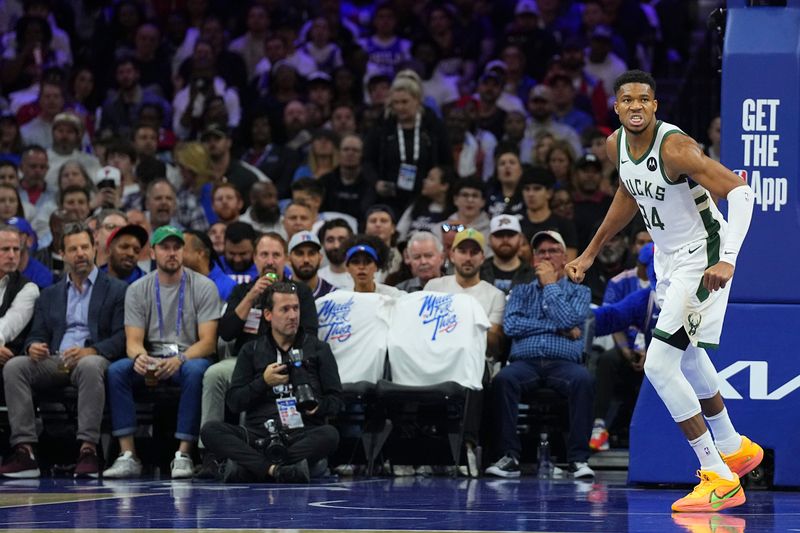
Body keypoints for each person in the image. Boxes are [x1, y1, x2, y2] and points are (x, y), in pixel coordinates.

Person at [566, 70, 759, 513]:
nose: (636, 106)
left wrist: (727, 258)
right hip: (668, 258)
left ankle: (719, 476)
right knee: (689, 357)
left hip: (702, 255)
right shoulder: (614, 145)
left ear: (655, 107)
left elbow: (741, 192)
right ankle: (734, 446)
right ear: (616, 108)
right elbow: (628, 194)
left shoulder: (675, 147)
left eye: (644, 100)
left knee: (659, 364)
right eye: (627, 100)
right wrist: (591, 252)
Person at [1, 223, 126, 479]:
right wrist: (32, 346)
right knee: (16, 366)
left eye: (84, 247)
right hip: (56, 360)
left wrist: (92, 350)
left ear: (95, 249)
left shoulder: (117, 290)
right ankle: (25, 452)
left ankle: (88, 449)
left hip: (92, 358)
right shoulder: (50, 294)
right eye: (73, 249)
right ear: (63, 253)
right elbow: (37, 333)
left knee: (91, 367)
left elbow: (122, 336)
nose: (80, 253)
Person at [103, 226, 220, 479]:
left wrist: (180, 359)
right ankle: (128, 454)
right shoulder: (137, 289)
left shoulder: (204, 286)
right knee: (117, 371)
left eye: (176, 247)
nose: (172, 253)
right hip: (152, 356)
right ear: (153, 253)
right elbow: (132, 341)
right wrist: (139, 357)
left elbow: (209, 342)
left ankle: (184, 454)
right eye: (165, 248)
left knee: (197, 370)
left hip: (188, 356)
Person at [201, 281, 342, 483]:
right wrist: (263, 382)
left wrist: (319, 407)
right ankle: (280, 470)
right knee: (210, 431)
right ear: (268, 315)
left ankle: (255, 468)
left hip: (300, 434)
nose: (293, 316)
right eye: (285, 309)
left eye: (296, 308)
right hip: (258, 436)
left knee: (330, 435)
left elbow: (336, 401)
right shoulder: (251, 350)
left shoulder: (319, 349)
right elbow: (234, 402)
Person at [486, 230, 595, 480]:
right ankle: (509, 457)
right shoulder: (521, 291)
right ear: (534, 258)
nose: (546, 256)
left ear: (565, 257)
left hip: (564, 364)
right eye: (541, 252)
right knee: (503, 380)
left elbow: (571, 318)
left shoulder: (580, 291)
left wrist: (549, 287)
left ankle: (578, 460)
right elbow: (512, 326)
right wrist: (561, 328)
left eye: (553, 251)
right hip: (526, 363)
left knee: (584, 380)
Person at [424, 228, 505, 357]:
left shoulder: (496, 295)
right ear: (452, 255)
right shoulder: (434, 286)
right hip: (435, 355)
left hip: (474, 359)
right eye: (462, 251)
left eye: (474, 252)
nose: (468, 258)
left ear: (482, 257)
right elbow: (423, 328)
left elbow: (492, 343)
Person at [0, 225, 39, 359]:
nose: (12, 255)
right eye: (5, 249)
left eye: (16, 249)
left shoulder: (29, 289)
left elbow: (6, 329)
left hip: (7, 361)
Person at [480, 215, 535, 295]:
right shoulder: (478, 273)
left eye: (510, 235)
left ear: (520, 239)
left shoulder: (533, 275)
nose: (505, 240)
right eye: (499, 235)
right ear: (490, 239)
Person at [182, 230, 236, 302]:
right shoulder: (174, 282)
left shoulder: (228, 287)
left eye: (181, 249)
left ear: (200, 253)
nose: (174, 254)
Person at [288, 231, 335, 299]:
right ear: (289, 258)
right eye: (299, 253)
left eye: (311, 253)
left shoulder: (332, 294)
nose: (306, 260)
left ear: (320, 258)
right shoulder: (278, 292)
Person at [317, 218, 354, 290]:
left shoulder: (362, 276)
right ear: (322, 243)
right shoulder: (317, 278)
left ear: (351, 242)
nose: (336, 245)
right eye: (330, 240)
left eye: (342, 240)